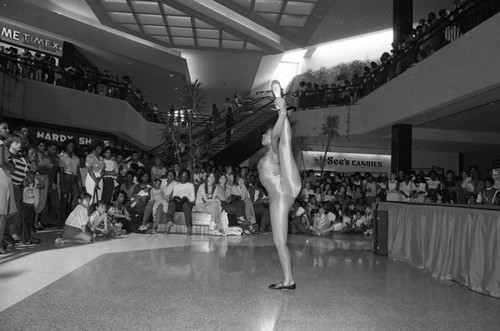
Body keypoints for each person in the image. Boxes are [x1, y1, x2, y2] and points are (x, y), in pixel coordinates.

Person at [258, 80, 301, 290]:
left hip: (284, 190)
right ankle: (288, 280)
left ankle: (282, 109)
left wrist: (282, 114)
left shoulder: (273, 149)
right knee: (278, 241)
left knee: (284, 144)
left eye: (264, 134)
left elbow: (276, 136)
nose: (263, 136)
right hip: (278, 197)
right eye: (264, 134)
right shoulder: (268, 154)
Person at [0, 122, 18, 254]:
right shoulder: (0, 143)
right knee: (3, 214)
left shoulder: (3, 145)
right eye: (4, 128)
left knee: (6, 213)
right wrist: (12, 168)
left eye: (7, 127)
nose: (7, 130)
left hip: (5, 177)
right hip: (2, 177)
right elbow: (1, 162)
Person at [165, 169, 195, 235]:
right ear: (180, 176)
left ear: (188, 177)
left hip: (187, 203)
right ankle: (169, 222)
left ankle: (189, 227)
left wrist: (186, 198)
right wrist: (177, 199)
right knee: (171, 203)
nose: (183, 177)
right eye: (182, 175)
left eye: (185, 176)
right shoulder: (176, 186)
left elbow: (193, 198)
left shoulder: (190, 185)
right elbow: (174, 196)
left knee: (185, 205)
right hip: (178, 203)